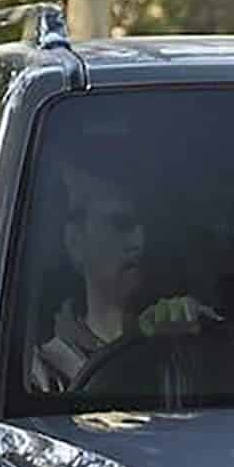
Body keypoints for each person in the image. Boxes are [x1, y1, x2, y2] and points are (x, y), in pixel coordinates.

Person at [29, 165, 213, 392]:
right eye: (120, 224)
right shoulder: (44, 374)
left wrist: (193, 335)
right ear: (75, 242)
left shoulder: (193, 340)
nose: (140, 241)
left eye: (151, 226)